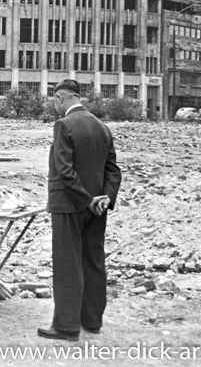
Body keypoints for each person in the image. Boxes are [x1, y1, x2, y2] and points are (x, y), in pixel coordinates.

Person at [37, 79, 122, 342]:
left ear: (60, 98)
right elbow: (113, 171)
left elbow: (64, 171)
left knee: (67, 264)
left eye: (54, 101)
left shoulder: (64, 125)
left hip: (69, 206)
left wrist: (85, 200)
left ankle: (66, 326)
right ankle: (92, 321)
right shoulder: (102, 127)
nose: (54, 106)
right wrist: (104, 199)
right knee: (93, 261)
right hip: (97, 208)